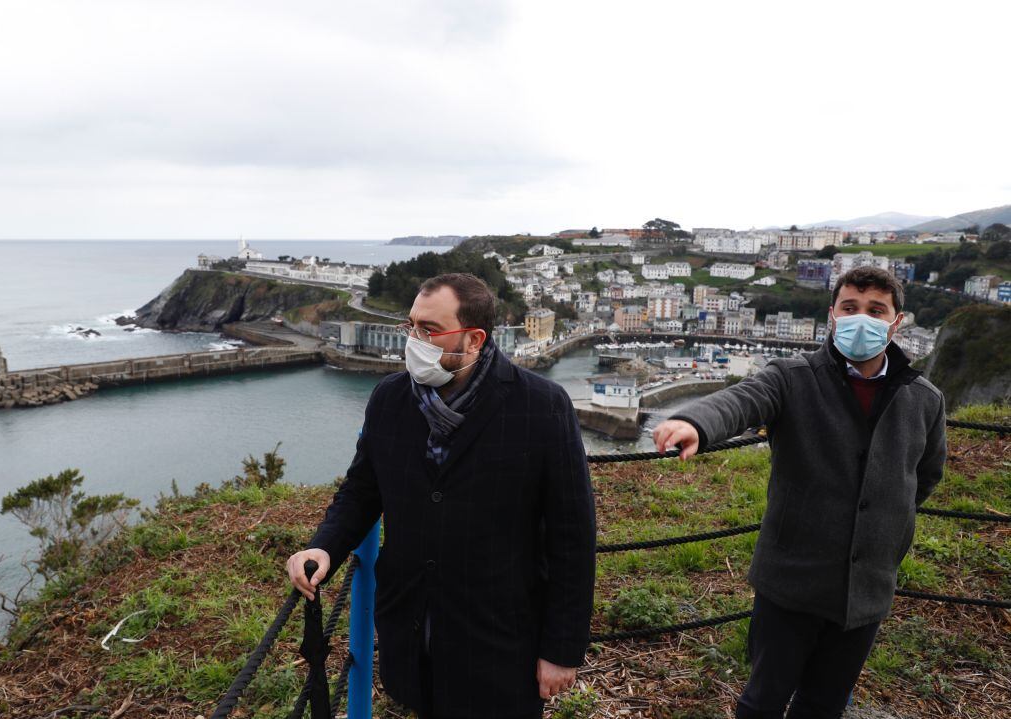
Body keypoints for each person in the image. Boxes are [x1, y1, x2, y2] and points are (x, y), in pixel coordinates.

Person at [286, 273, 597, 719]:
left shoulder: (542, 406)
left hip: (501, 643)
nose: (415, 340)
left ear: (474, 339)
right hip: (411, 633)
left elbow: (573, 536)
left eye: (430, 330)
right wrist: (324, 545)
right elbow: (362, 490)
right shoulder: (389, 399)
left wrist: (562, 650)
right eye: (411, 325)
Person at [652, 266, 946, 718]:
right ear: (832, 315)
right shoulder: (792, 376)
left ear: (896, 321)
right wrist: (696, 423)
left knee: (824, 705)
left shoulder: (924, 399)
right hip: (792, 581)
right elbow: (742, 400)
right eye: (850, 308)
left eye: (875, 310)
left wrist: (884, 528)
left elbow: (924, 477)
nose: (860, 319)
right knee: (762, 702)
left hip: (867, 586)